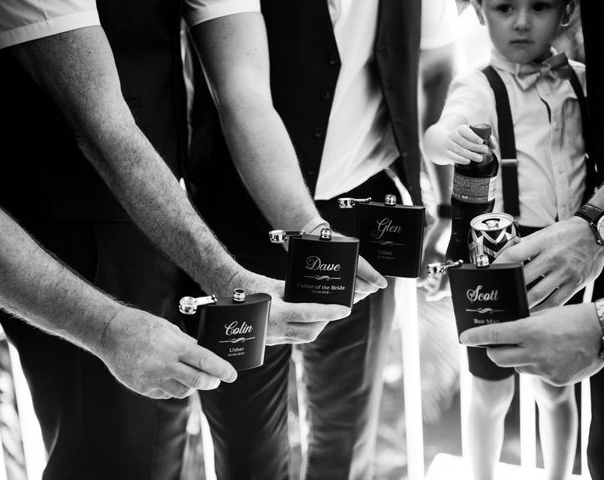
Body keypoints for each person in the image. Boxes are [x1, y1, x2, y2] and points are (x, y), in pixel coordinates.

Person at [0, 1, 352, 479]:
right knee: (115, 461)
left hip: (161, 215)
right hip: (71, 233)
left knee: (159, 449)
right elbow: (102, 127)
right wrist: (222, 281)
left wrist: (290, 246)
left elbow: (243, 92)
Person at [182, 1, 458, 477]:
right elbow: (240, 95)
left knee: (347, 433)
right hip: (235, 231)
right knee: (246, 446)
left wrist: (448, 206)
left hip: (367, 217)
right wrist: (310, 233)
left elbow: (434, 72)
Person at [423, 0, 585, 478]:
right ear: (478, 12)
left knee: (557, 389)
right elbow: (442, 128)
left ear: (567, 12)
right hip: (496, 256)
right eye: (504, 7)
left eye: (539, 7)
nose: (520, 22)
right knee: (489, 388)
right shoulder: (478, 85)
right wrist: (446, 140)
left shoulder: (581, 80)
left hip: (570, 255)